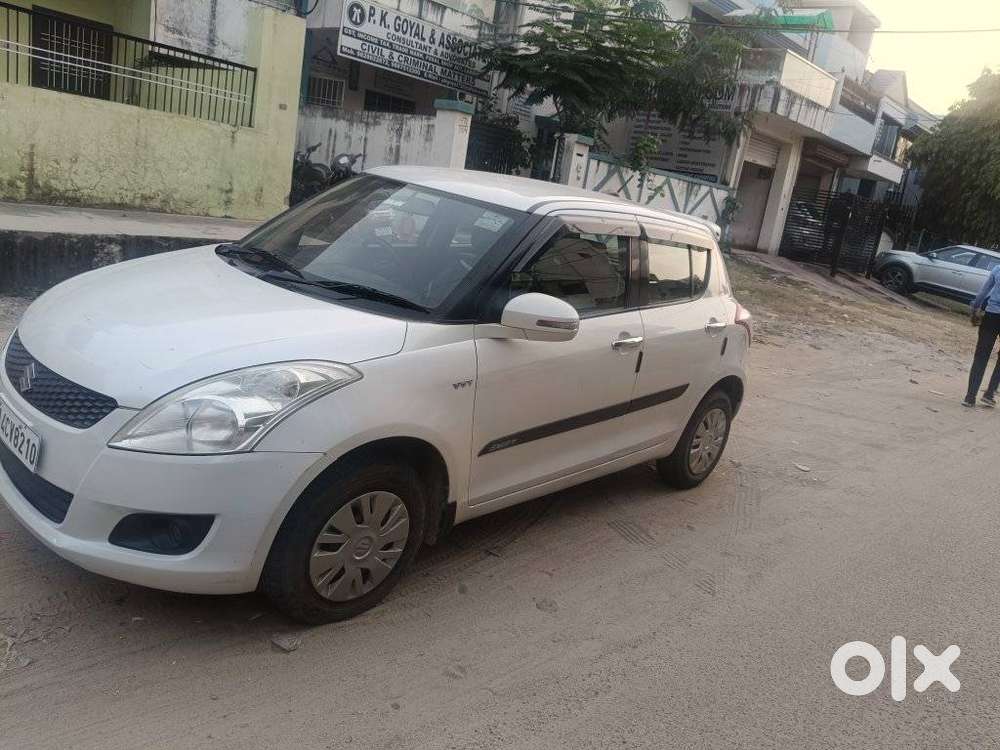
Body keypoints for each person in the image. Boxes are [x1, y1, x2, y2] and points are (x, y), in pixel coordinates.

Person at [964, 262, 1000, 407]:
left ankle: (970, 397)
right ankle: (989, 393)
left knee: (981, 355)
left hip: (991, 316)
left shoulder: (998, 268)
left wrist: (975, 307)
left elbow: (983, 293)